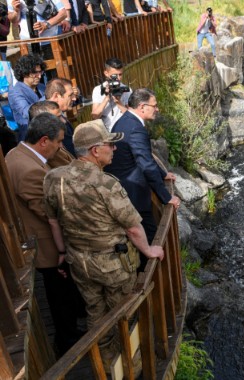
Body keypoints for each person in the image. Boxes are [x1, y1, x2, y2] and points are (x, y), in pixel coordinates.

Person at [43, 120, 164, 365]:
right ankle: (129, 362)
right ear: (95, 150)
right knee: (123, 312)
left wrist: (62, 252)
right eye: (110, 144)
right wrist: (149, 250)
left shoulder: (54, 178)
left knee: (94, 312)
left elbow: (53, 221)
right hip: (112, 264)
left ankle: (106, 361)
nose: (115, 149)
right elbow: (132, 227)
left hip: (79, 261)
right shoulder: (106, 183)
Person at [5, 112, 84, 355]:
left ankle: (70, 334)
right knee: (60, 297)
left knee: (63, 294)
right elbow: (50, 213)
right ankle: (68, 342)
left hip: (44, 240)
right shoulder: (30, 170)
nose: (61, 146)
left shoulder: (18, 154)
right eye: (59, 141)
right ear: (43, 141)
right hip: (47, 245)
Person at [105, 88, 180, 268]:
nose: (157, 109)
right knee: (152, 237)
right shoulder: (135, 128)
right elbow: (145, 164)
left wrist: (163, 174)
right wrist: (167, 197)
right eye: (154, 106)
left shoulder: (124, 121)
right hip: (133, 192)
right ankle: (153, 277)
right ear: (142, 106)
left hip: (124, 186)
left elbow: (142, 155)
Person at [8, 54, 46, 142]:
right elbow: (27, 112)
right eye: (35, 73)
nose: (39, 76)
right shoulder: (15, 92)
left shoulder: (41, 87)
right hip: (30, 138)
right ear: (24, 73)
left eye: (40, 72)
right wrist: (48, 97)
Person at [29, 100, 74, 168]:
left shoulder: (55, 143)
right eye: (57, 118)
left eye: (61, 116)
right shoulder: (49, 153)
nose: (64, 121)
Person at [91, 58, 131, 131]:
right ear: (106, 73)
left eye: (120, 74)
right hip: (107, 133)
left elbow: (131, 116)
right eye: (114, 75)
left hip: (125, 130)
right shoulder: (98, 90)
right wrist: (106, 98)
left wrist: (118, 102)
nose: (118, 78)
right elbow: (95, 116)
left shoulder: (126, 89)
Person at [45, 78, 77, 157]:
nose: (74, 98)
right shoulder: (45, 120)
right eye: (70, 95)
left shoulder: (59, 112)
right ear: (56, 96)